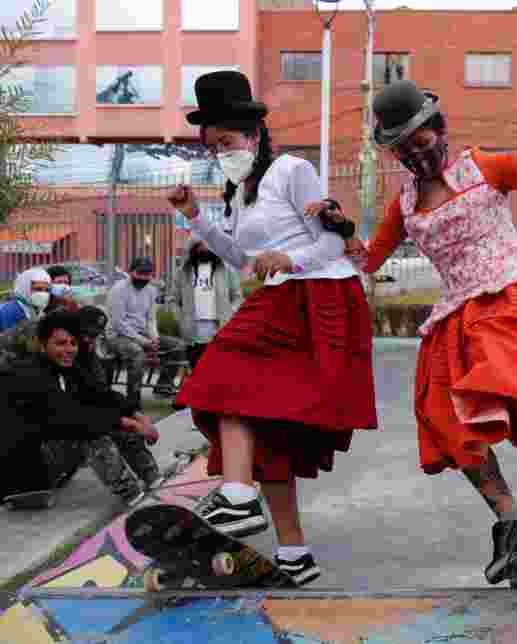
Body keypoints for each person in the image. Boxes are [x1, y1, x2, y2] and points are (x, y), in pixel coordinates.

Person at [317, 78, 517, 584]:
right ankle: (510, 521)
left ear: (439, 130)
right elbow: (370, 260)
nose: (417, 156)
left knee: (505, 368)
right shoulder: (405, 203)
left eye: (421, 141)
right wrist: (341, 229)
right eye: (403, 150)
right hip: (458, 307)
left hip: (515, 288)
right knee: (439, 411)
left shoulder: (485, 166)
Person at [165, 70, 377, 586]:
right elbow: (241, 257)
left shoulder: (292, 170)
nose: (222, 152)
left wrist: (289, 257)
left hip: (320, 297)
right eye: (213, 146)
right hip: (282, 295)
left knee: (220, 376)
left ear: (254, 134)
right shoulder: (239, 192)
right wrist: (195, 216)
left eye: (228, 141)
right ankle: (294, 553)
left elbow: (331, 245)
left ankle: (238, 497)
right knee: (268, 432)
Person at [0, 311, 159, 504]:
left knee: (115, 424)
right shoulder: (28, 374)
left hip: (50, 462)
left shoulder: (67, 369)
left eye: (73, 343)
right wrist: (128, 423)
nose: (69, 349)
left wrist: (139, 416)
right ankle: (133, 497)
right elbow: (70, 417)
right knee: (91, 432)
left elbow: (102, 395)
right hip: (21, 480)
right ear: (42, 346)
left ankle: (154, 480)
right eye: (60, 343)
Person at [106, 257, 188, 404]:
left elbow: (151, 319)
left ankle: (163, 386)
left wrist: (154, 338)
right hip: (118, 336)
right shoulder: (118, 290)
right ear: (131, 272)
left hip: (142, 334)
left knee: (179, 345)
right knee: (137, 352)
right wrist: (144, 342)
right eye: (140, 273)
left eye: (148, 274)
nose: (144, 277)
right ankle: (133, 400)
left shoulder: (151, 290)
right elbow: (119, 323)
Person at [171, 236, 241, 369]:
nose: (205, 249)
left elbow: (237, 296)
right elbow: (173, 299)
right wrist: (180, 318)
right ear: (193, 249)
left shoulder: (227, 271)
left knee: (218, 370)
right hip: (192, 332)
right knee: (196, 370)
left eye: (209, 246)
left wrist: (229, 313)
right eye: (200, 246)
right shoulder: (182, 272)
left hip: (219, 330)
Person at [0, 268, 52, 333]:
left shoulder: (36, 311)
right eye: (38, 289)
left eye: (47, 290)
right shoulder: (10, 311)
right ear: (25, 288)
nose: (43, 294)